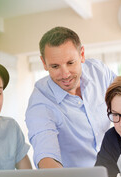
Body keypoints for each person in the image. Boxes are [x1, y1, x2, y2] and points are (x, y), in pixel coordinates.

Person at [25, 26, 116, 169]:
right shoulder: (40, 102)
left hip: (116, 169)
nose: (65, 74)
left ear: (82, 54)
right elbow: (46, 154)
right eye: (55, 66)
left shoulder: (98, 71)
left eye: (70, 63)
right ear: (44, 63)